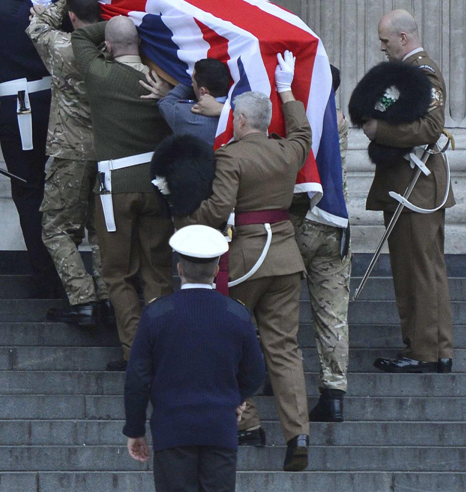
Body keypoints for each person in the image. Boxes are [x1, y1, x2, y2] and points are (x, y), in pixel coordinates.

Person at [178, 52, 312, 471]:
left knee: (235, 343)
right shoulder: (289, 151)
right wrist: (287, 89)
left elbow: (218, 209)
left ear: (238, 121)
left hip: (245, 261)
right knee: (284, 349)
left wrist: (183, 213)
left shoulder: (230, 157)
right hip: (285, 259)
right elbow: (303, 131)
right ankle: (298, 434)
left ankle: (249, 423)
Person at [124, 225, 265, 492]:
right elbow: (256, 371)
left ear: (179, 269)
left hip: (172, 430)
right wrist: (234, 398)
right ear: (216, 270)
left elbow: (137, 379)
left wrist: (135, 429)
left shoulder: (156, 315)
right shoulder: (237, 315)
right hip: (220, 428)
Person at [72, 16, 175, 371]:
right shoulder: (162, 79)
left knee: (118, 273)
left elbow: (82, 37)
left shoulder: (99, 74)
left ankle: (134, 352)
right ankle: (161, 350)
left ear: (109, 47)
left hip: (113, 188)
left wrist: (118, 13)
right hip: (156, 185)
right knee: (158, 272)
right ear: (140, 43)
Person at [363, 9, 455, 373]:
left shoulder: (422, 72)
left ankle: (424, 351)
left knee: (416, 271)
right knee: (422, 270)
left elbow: (431, 127)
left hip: (415, 187)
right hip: (407, 186)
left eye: (385, 41)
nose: (382, 48)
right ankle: (435, 348)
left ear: (403, 38)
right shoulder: (407, 73)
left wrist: (380, 131)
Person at [26, 0, 110, 325]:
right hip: (107, 150)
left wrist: (60, 0)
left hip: (70, 150)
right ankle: (108, 297)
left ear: (72, 16)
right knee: (100, 229)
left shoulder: (63, 46)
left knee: (55, 228)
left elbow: (36, 27)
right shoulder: (113, 48)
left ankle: (83, 298)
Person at [0, 0, 63, 298]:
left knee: (28, 191)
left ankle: (44, 275)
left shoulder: (3, 8)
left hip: (20, 109)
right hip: (55, 106)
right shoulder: (62, 13)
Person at [290, 65, 351, 422]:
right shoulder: (338, 120)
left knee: (277, 306)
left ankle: (275, 374)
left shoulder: (298, 120)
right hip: (335, 224)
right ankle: (334, 392)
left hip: (297, 223)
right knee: (333, 314)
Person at [139, 57, 231, 145]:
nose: (191, 84)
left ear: (203, 91)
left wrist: (185, 77)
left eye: (193, 82)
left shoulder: (186, 114)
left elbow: (166, 103)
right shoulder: (236, 111)